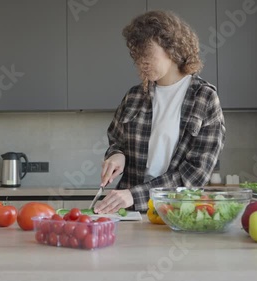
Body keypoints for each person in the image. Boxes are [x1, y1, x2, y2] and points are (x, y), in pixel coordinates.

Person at [94, 10, 226, 214]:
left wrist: (135, 195)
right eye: (137, 55)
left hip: (176, 214)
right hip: (128, 214)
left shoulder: (204, 98)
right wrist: (117, 155)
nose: (141, 62)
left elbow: (194, 175)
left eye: (147, 53)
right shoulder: (134, 96)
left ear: (172, 47)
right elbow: (116, 141)